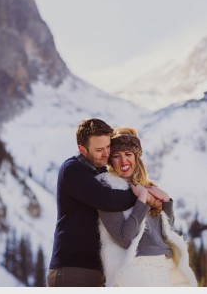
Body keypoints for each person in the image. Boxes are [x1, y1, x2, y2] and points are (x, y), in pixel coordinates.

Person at [47, 118, 160, 287]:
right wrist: (143, 196)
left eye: (108, 147)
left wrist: (151, 195)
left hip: (97, 271)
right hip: (72, 269)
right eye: (99, 149)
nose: (106, 154)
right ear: (82, 149)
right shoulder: (72, 170)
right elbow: (107, 199)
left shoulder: (100, 169)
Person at [95, 127, 197, 287]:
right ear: (110, 161)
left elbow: (166, 231)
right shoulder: (107, 188)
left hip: (167, 263)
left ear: (136, 157)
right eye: (116, 156)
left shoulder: (148, 187)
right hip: (138, 267)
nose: (123, 161)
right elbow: (124, 238)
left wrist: (167, 201)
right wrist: (142, 201)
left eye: (128, 154)